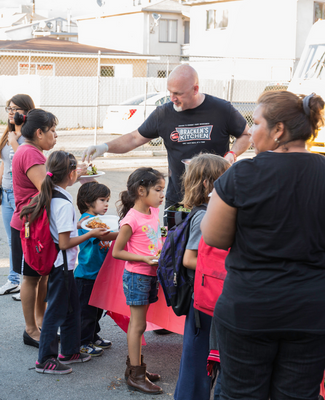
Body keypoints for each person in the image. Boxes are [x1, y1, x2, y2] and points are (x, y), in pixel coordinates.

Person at [201, 91, 325, 400]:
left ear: (278, 129)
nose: (251, 132)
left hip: (249, 307)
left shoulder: (242, 174)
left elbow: (214, 237)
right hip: (312, 310)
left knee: (240, 393)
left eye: (255, 123)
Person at [82, 64, 251, 210]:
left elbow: (246, 134)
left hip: (215, 196)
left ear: (195, 89)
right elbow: (134, 138)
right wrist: (105, 147)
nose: (172, 99)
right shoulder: (164, 113)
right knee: (174, 246)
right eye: (170, 92)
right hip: (178, 198)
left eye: (178, 93)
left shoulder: (221, 109)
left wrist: (232, 154)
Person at [20, 151, 108, 374]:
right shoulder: (63, 203)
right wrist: (91, 233)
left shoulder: (54, 194)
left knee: (71, 309)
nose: (78, 172)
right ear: (69, 174)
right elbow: (64, 242)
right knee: (56, 313)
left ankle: (69, 351)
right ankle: (46, 359)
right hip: (60, 264)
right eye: (76, 169)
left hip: (64, 265)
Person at [173, 154, 230, 400]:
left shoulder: (208, 212)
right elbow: (189, 259)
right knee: (196, 363)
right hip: (203, 303)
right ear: (208, 184)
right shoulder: (203, 216)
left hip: (208, 297)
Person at [112, 167, 166, 395]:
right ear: (141, 190)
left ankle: (136, 369)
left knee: (140, 324)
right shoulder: (131, 219)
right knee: (138, 326)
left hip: (150, 273)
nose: (162, 194)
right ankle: (136, 374)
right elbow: (117, 251)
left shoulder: (153, 211)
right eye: (158, 189)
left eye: (163, 190)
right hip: (137, 276)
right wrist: (143, 257)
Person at [10, 109, 59, 348]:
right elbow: (46, 188)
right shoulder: (30, 153)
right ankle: (31, 329)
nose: (55, 136)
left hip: (36, 225)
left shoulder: (30, 150)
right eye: (52, 131)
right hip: (28, 227)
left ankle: (40, 322)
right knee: (30, 278)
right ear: (39, 133)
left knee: (42, 276)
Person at [0, 94, 35, 298]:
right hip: (7, 194)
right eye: (9, 108)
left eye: (16, 108)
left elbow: (24, 160)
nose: (11, 112)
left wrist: (15, 138)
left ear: (27, 112)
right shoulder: (8, 134)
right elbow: (5, 162)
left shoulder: (28, 138)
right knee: (12, 242)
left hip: (22, 197)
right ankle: (14, 280)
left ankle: (27, 283)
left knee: (24, 240)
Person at [75, 182, 117, 357]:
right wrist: (128, 232)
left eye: (107, 200)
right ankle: (83, 342)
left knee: (98, 308)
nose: (106, 204)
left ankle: (92, 335)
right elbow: (102, 235)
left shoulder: (100, 220)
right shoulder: (87, 222)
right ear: (87, 201)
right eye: (102, 200)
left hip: (99, 274)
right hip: (86, 275)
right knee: (87, 312)